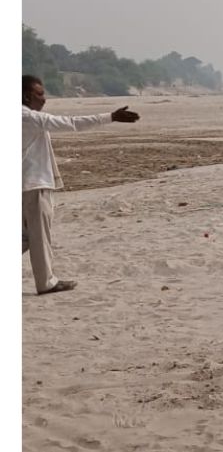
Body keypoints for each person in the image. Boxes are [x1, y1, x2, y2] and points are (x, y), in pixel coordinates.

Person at [21, 75, 141, 295]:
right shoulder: (29, 118)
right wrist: (111, 116)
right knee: (39, 236)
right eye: (40, 94)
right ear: (27, 96)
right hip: (34, 184)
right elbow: (71, 123)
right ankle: (46, 282)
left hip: (23, 184)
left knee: (24, 237)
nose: (44, 99)